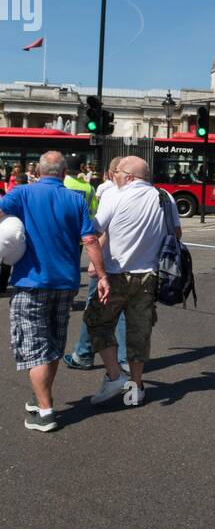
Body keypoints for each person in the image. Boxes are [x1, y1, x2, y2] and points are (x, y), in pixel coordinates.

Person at [0, 151, 108, 433]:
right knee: (53, 344)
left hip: (31, 281)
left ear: (38, 171)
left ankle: (46, 412)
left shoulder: (22, 193)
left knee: (35, 346)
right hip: (66, 283)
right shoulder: (76, 198)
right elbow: (90, 239)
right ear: (63, 174)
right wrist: (102, 274)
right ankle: (41, 399)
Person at [85, 156, 182, 408]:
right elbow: (176, 234)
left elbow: (94, 232)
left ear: (128, 176)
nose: (114, 177)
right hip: (149, 276)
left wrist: (97, 265)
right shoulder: (164, 197)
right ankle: (136, 386)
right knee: (139, 332)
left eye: (116, 173)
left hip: (116, 274)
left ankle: (114, 375)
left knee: (97, 320)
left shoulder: (114, 196)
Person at [64, 156, 128, 372]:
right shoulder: (88, 187)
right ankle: (125, 359)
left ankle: (83, 354)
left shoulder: (108, 192)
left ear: (111, 173)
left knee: (95, 306)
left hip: (102, 256)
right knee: (123, 311)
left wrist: (96, 260)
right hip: (133, 265)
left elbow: (98, 227)